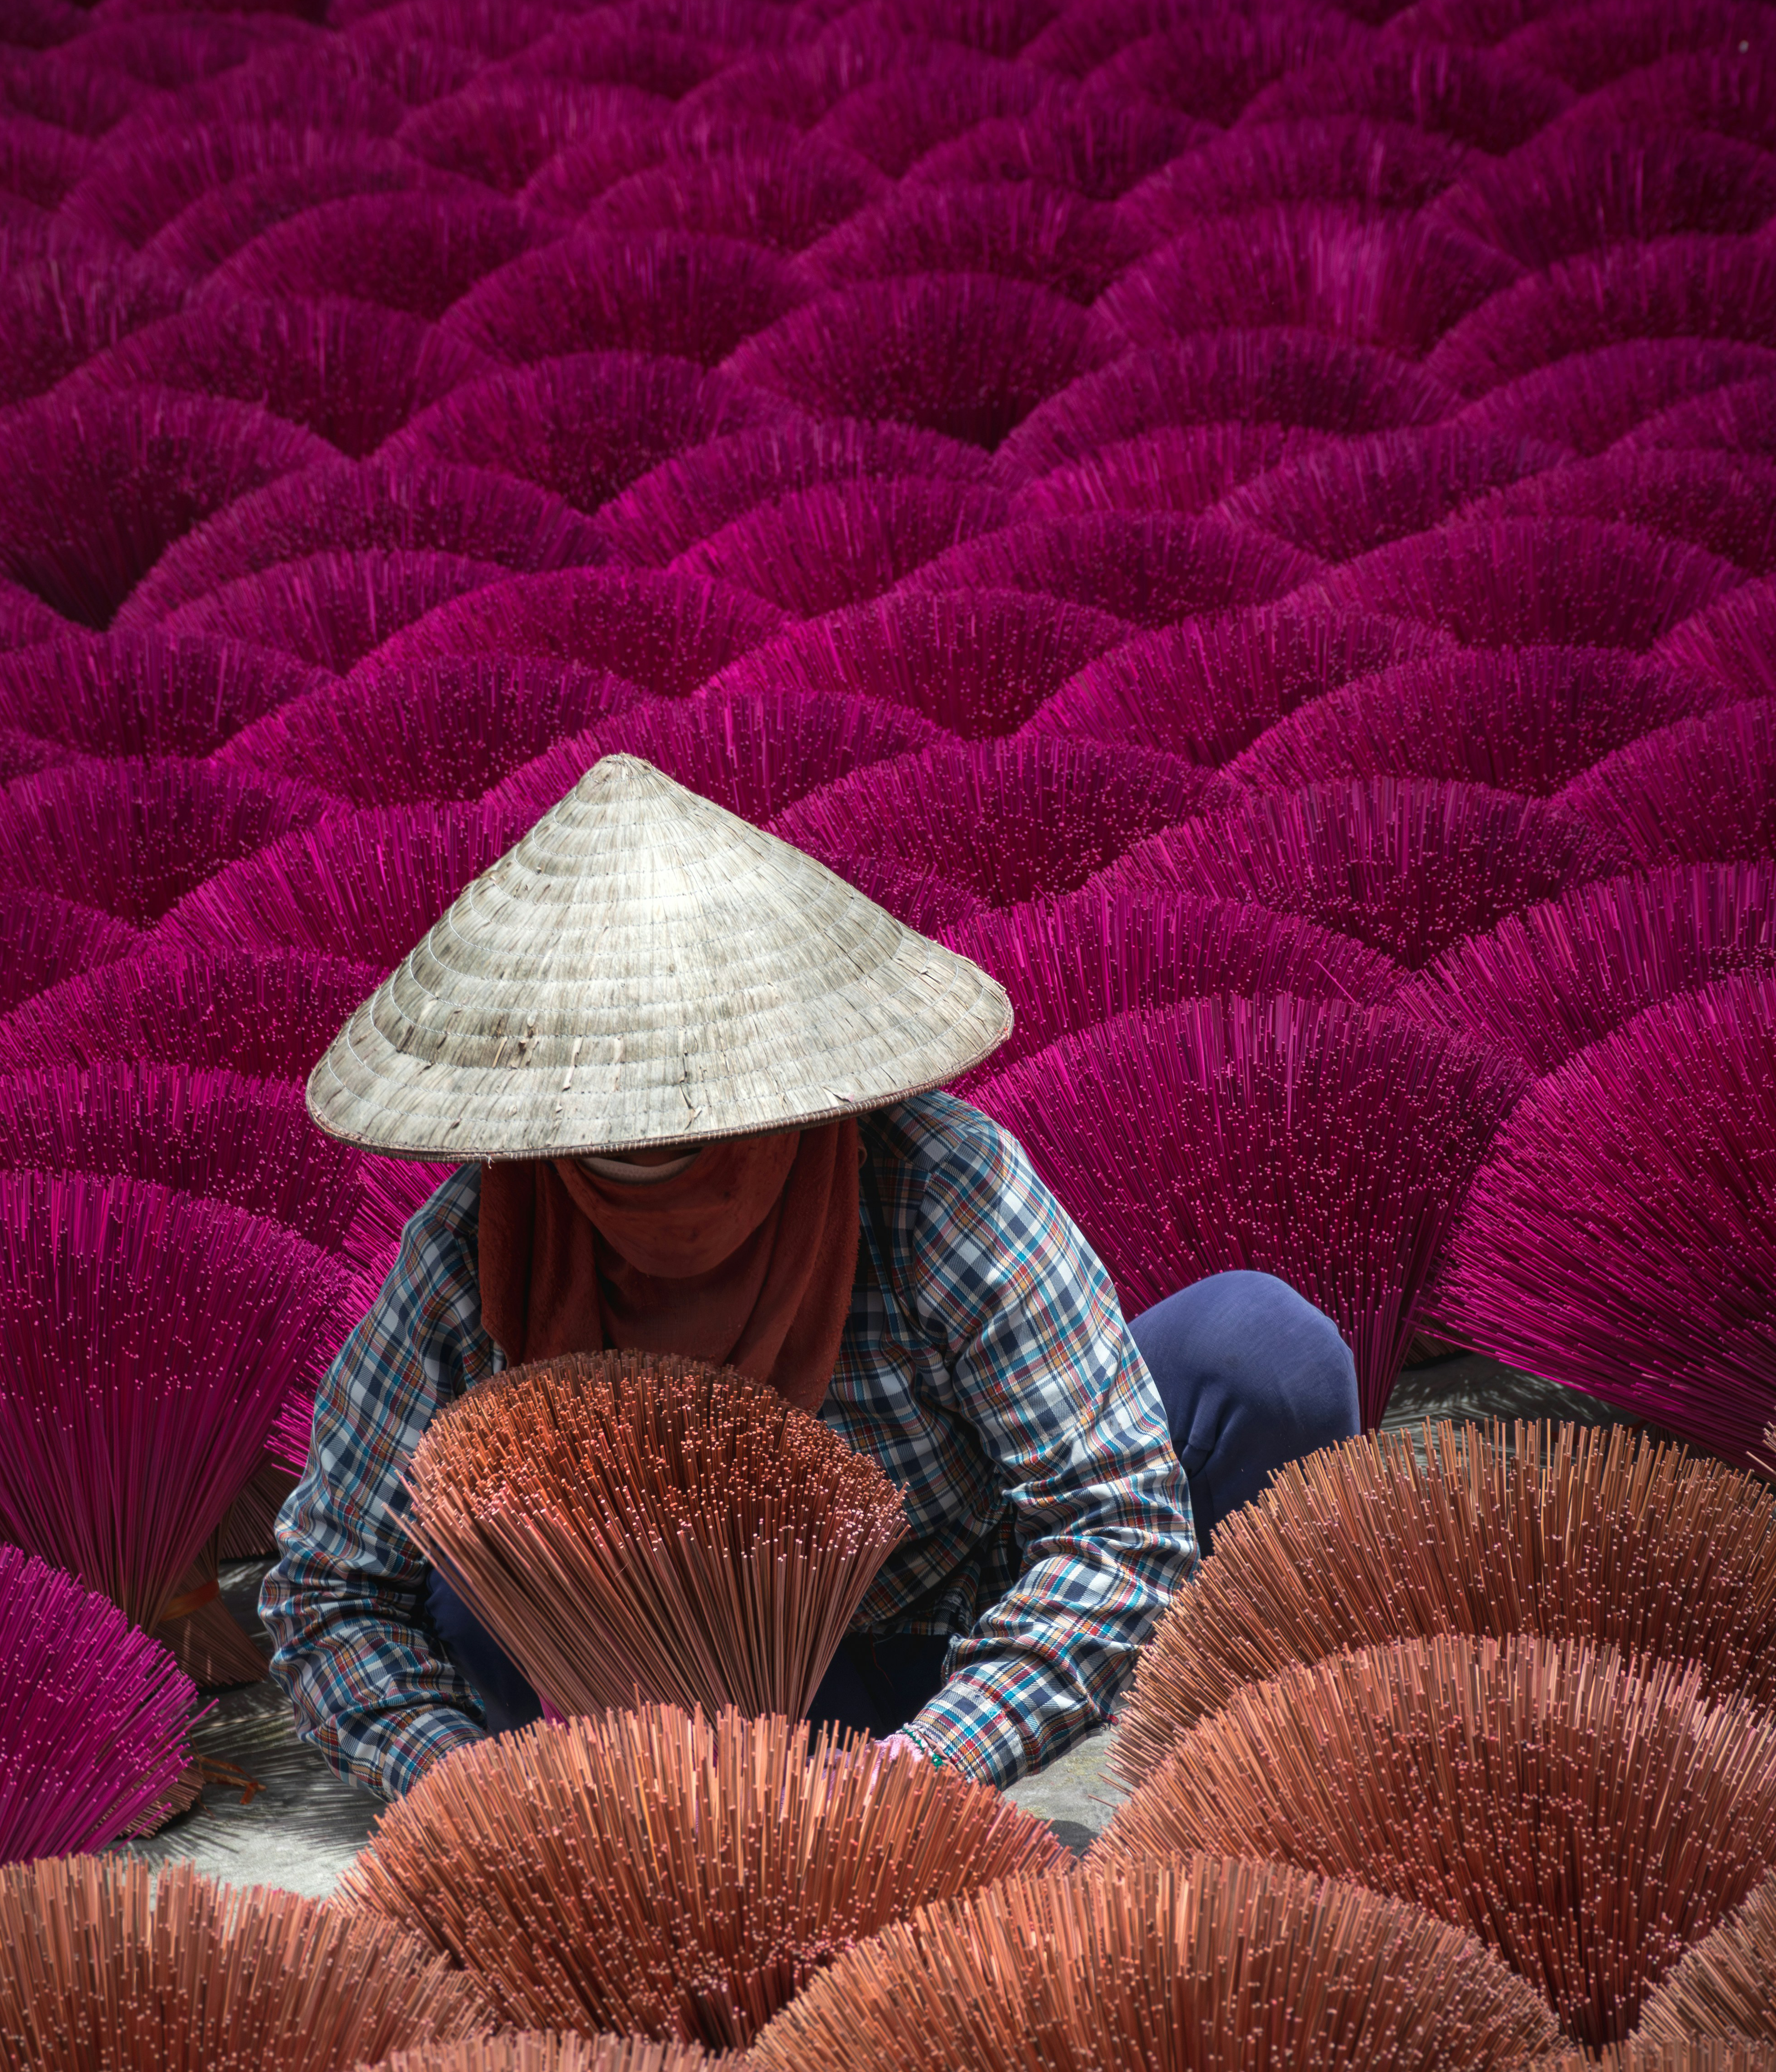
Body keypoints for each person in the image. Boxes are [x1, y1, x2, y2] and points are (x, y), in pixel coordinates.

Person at [261, 753, 1358, 1801]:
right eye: (612, 1144)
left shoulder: (935, 1183)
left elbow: (1116, 1526)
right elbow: (333, 1588)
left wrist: (922, 1768)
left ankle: (1218, 1756)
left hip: (966, 1624)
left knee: (1262, 1351)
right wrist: (463, 1785)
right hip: (673, 1691)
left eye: (700, 1135)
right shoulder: (477, 1249)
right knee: (460, 1579)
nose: (664, 1176)